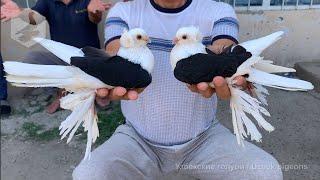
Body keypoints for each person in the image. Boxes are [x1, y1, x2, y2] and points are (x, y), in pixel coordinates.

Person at [72, 0, 283, 179]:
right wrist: (108, 75)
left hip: (204, 138)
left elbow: (223, 46)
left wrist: (228, 62)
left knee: (266, 172)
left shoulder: (218, 9)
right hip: (137, 138)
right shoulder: (125, 10)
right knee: (88, 174)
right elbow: (116, 53)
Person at [0, 0, 112, 113]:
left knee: (102, 61)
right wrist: (21, 12)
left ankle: (97, 90)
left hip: (88, 57)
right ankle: (62, 91)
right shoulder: (47, 2)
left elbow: (95, 18)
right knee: (32, 59)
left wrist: (94, 12)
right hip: (62, 58)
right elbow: (35, 18)